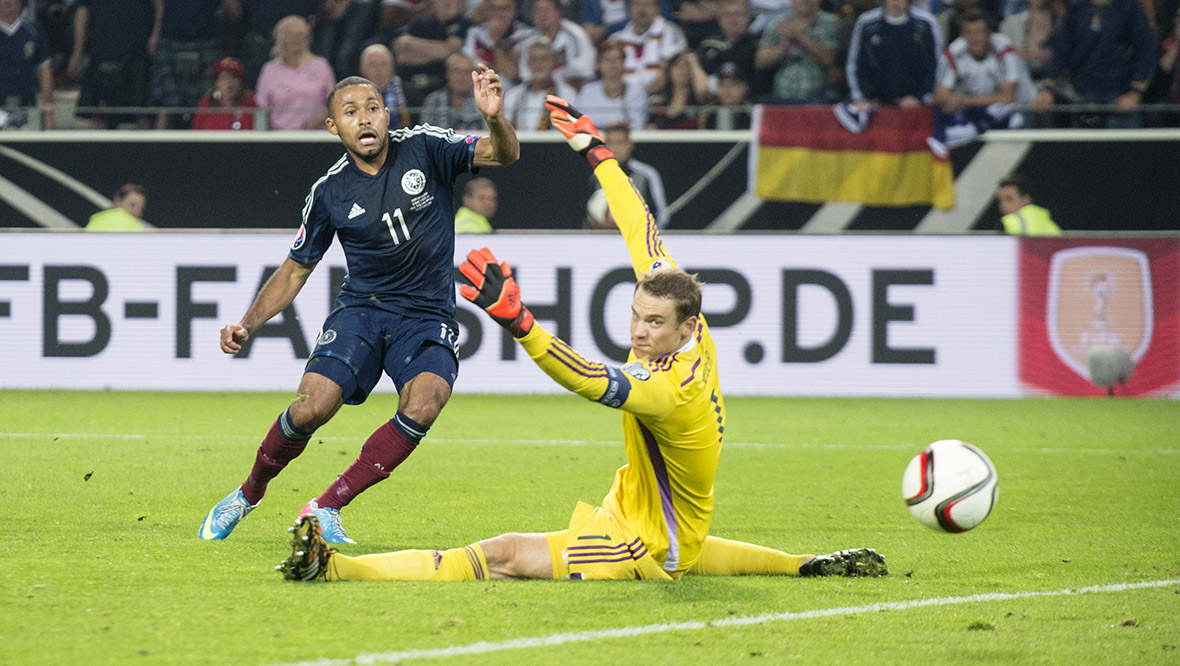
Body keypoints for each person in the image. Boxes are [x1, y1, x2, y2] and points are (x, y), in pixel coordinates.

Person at [278, 95, 888, 583]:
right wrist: (597, 153)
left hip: (640, 544)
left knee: (503, 555)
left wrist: (521, 324)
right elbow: (637, 222)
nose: (639, 332)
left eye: (653, 325)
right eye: (637, 317)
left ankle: (338, 571)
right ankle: (803, 564)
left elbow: (593, 380)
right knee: (687, 540)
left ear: (685, 329)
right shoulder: (683, 314)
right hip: (648, 519)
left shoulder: (669, 387)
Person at [198, 66, 520, 543]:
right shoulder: (328, 192)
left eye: (372, 109)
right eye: (350, 112)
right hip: (362, 312)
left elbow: (505, 154)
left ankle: (326, 507)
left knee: (426, 402)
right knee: (311, 407)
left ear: (386, 115)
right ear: (333, 127)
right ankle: (247, 493)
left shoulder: (427, 147)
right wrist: (248, 323)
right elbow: (294, 270)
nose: (364, 119)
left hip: (427, 314)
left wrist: (493, 117)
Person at [1029, 0, 1157, 128]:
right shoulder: (1076, 7)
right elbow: (1062, 51)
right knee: (1084, 146)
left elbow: (1147, 50)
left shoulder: (1129, 6)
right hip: (1083, 95)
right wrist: (1048, 88)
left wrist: (1135, 93)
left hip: (1120, 97)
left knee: (1121, 146)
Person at [932, 9, 1034, 146]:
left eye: (980, 31)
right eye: (969, 32)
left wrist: (965, 100)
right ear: (962, 35)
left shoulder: (1004, 49)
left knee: (1007, 111)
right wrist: (953, 101)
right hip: (978, 104)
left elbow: (1008, 96)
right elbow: (940, 96)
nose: (975, 38)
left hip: (1021, 104)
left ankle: (975, 129)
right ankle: (971, 129)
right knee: (941, 110)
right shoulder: (953, 53)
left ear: (989, 33)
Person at [68, 0, 163, 129]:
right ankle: (93, 150)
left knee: (143, 114)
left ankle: (150, 150)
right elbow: (82, 10)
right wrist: (77, 52)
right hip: (103, 49)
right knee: (100, 115)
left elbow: (159, 3)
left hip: (139, 49)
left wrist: (156, 34)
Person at [846, 0, 942, 109]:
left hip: (915, 108)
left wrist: (920, 98)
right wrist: (862, 98)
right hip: (874, 107)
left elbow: (936, 65)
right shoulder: (866, 24)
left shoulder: (926, 23)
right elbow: (855, 64)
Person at [149, 0, 224, 129]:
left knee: (207, 101)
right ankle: (158, 148)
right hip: (170, 35)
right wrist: (156, 32)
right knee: (166, 103)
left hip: (207, 35)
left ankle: (206, 147)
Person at [254, 15, 335, 130]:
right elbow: (261, 106)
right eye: (291, 34)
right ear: (280, 39)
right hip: (278, 137)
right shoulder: (269, 69)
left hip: (315, 135)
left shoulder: (321, 66)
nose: (296, 39)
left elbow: (334, 103)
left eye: (300, 34)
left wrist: (319, 119)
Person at [754, 0, 839, 104]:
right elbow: (760, 61)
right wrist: (783, 48)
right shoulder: (778, 24)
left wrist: (800, 37)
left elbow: (829, 58)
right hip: (781, 96)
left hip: (818, 96)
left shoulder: (831, 22)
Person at [392, 0, 472, 110]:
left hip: (442, 85)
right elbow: (402, 56)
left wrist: (411, 43)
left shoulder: (463, 23)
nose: (446, 3)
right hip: (412, 85)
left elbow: (449, 51)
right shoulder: (420, 24)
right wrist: (440, 51)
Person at [587, 122, 668, 228]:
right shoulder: (596, 177)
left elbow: (662, 216)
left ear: (630, 145)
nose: (615, 148)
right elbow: (587, 218)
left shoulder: (646, 175)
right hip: (604, 242)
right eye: (611, 143)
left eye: (620, 143)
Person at [0, 0, 56, 130]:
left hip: (28, 105)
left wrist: (49, 110)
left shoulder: (34, 30)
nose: (7, 2)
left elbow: (44, 69)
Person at [517, 0, 596, 89]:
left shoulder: (576, 35)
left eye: (547, 10)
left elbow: (583, 71)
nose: (542, 15)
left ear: (559, 12)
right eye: (538, 11)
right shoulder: (528, 40)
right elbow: (525, 74)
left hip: (573, 91)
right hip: (540, 90)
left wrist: (551, 74)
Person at [613, 0, 688, 93]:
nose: (642, 9)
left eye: (648, 5)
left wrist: (639, 98)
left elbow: (666, 72)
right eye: (637, 4)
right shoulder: (616, 39)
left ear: (657, 9)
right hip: (623, 98)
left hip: (661, 97)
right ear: (628, 9)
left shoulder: (671, 32)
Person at [502, 37, 577, 129]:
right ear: (528, 63)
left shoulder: (567, 94)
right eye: (534, 59)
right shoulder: (513, 95)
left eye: (544, 59)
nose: (539, 64)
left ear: (553, 62)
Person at [574, 40, 649, 131]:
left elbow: (637, 127)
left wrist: (600, 127)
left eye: (617, 59)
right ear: (598, 64)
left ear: (624, 63)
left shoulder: (636, 91)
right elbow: (581, 126)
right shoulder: (588, 91)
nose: (612, 64)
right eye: (607, 59)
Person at [420, 52, 486, 130]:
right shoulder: (433, 100)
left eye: (466, 72)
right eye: (456, 71)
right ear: (447, 74)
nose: (461, 77)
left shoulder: (483, 100)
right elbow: (424, 133)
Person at [646, 49, 710, 129]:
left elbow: (703, 91)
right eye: (677, 65)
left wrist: (693, 61)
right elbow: (650, 128)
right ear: (670, 71)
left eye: (687, 66)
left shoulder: (696, 100)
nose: (682, 70)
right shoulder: (659, 102)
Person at [192, 57, 258, 130]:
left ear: (241, 82)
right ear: (216, 83)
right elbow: (196, 134)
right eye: (224, 78)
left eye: (234, 78)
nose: (229, 84)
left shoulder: (252, 102)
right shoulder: (206, 104)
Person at [358, 44, 411, 129]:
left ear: (393, 69)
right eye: (372, 65)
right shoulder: (352, 94)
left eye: (383, 64)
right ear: (362, 70)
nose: (378, 70)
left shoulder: (409, 93)